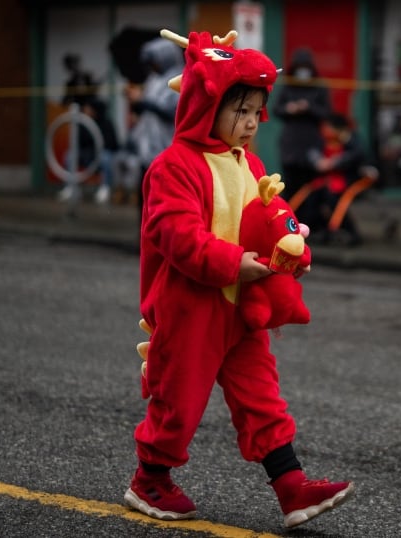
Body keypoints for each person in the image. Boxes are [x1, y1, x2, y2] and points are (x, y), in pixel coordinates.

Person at [124, 29, 353, 529]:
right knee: (177, 400)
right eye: (240, 111)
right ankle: (150, 478)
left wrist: (289, 250)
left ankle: (291, 486)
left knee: (261, 396)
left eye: (255, 112)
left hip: (241, 303)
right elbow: (175, 234)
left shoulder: (249, 162)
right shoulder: (173, 167)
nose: (250, 124)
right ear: (206, 105)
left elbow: (268, 211)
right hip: (191, 306)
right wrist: (233, 263)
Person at [111, 37, 183, 214]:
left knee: (164, 205)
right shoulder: (154, 79)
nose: (153, 66)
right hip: (147, 154)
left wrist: (144, 101)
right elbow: (146, 110)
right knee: (145, 206)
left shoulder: (179, 79)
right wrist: (137, 103)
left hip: (168, 153)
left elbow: (172, 112)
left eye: (155, 61)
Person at [304, 112, 375, 246]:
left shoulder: (352, 140)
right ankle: (320, 229)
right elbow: (312, 153)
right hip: (327, 179)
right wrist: (318, 162)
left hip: (348, 180)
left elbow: (357, 156)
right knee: (313, 198)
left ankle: (350, 232)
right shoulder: (324, 139)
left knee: (334, 200)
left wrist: (334, 162)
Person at [272, 48, 332, 201]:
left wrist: (309, 107)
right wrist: (289, 109)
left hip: (311, 142)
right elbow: (276, 109)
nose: (302, 71)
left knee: (312, 187)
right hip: (291, 145)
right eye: (300, 67)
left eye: (305, 67)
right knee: (290, 186)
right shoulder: (288, 85)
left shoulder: (319, 86)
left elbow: (326, 112)